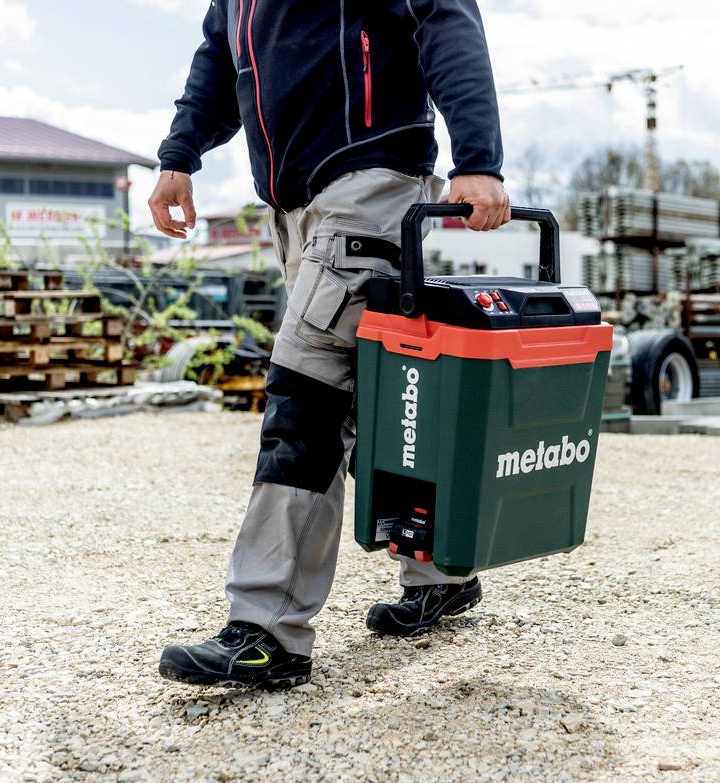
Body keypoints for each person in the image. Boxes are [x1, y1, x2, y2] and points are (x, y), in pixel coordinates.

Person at [150, 0, 509, 690]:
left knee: (306, 398)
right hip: (293, 210)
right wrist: (180, 152)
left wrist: (478, 156)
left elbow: (444, 14)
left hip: (370, 183)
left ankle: (266, 630)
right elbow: (220, 64)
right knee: (367, 398)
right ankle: (443, 571)